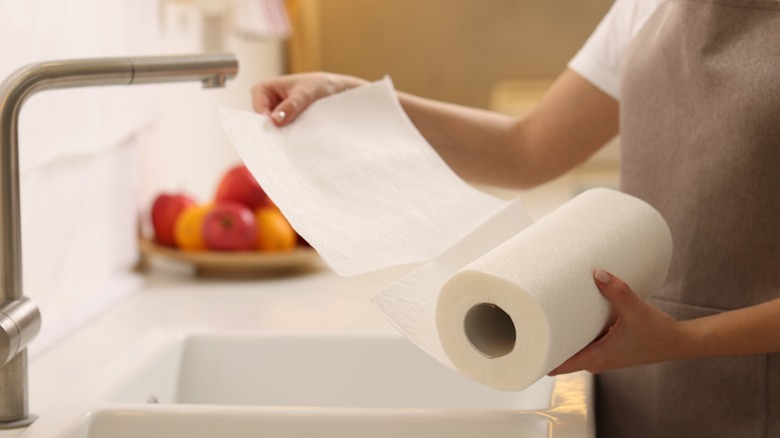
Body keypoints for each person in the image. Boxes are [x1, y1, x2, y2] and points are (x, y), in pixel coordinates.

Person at [251, 0, 780, 436]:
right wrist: (352, 98)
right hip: (636, 371)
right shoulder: (648, 8)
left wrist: (688, 341)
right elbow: (524, 149)